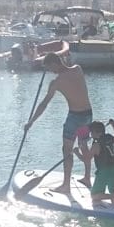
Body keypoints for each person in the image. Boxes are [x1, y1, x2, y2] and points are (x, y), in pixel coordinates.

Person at [25, 52, 93, 192]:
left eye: (50, 68)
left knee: (67, 150)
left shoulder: (56, 82)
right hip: (87, 115)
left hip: (74, 117)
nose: (51, 71)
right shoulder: (78, 69)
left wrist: (31, 121)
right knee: (83, 146)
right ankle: (87, 177)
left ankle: (66, 185)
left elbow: (44, 104)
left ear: (54, 64)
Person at [83, 119, 114, 206]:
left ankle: (112, 196)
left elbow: (86, 159)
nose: (91, 134)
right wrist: (113, 125)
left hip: (103, 171)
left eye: (91, 132)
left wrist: (77, 152)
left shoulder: (96, 145)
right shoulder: (110, 137)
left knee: (94, 196)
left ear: (96, 133)